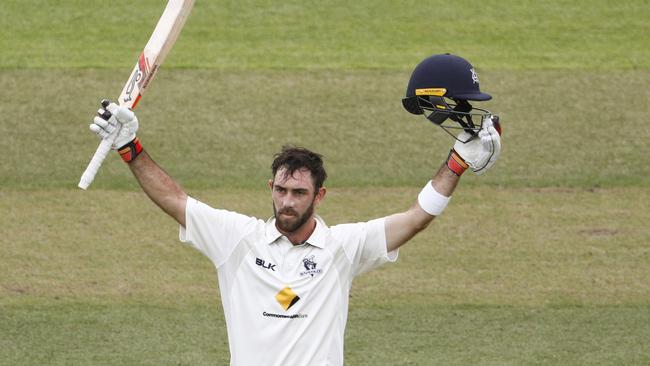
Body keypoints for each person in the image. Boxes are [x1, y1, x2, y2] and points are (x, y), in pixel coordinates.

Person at [88, 53, 501, 365]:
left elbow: (415, 218)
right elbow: (175, 200)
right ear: (271, 188)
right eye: (282, 190)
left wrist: (455, 166)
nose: (287, 201)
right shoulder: (238, 240)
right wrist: (130, 149)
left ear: (319, 196)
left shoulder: (343, 247)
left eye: (299, 193)